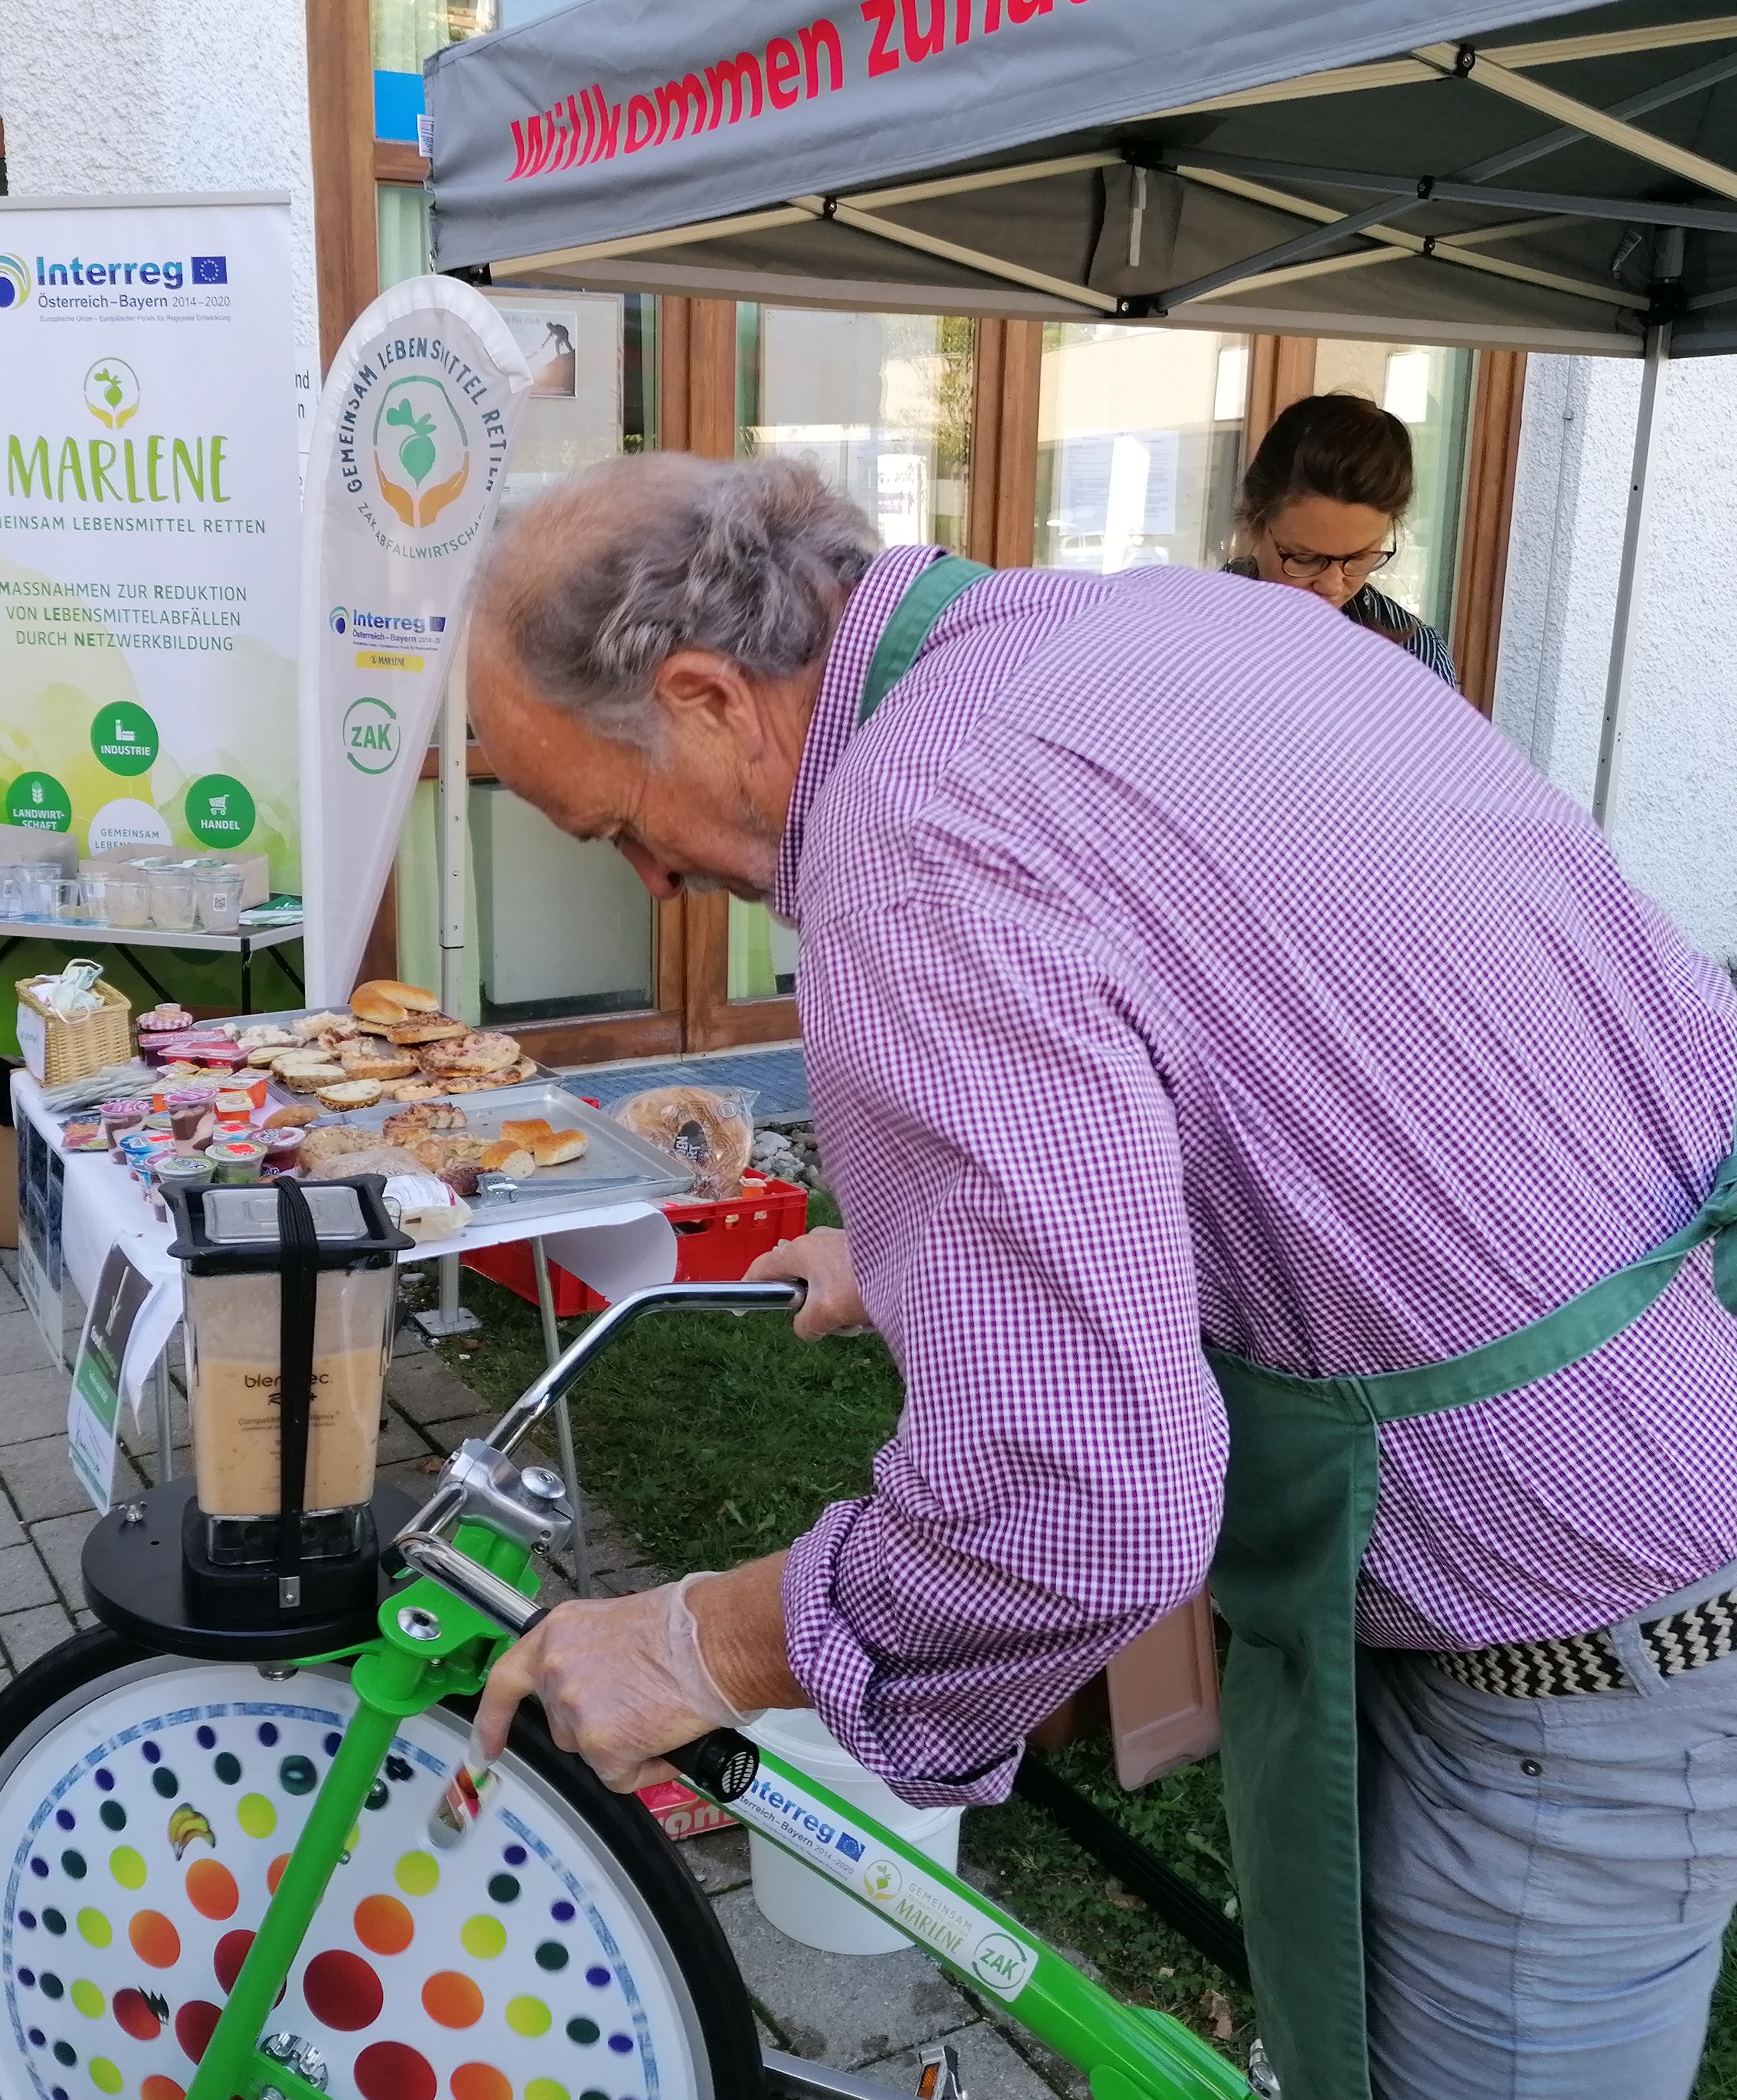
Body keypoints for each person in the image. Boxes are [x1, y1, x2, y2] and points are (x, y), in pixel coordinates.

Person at [461, 451, 1737, 2100]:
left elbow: (1065, 1504)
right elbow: (1321, 1075)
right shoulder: (1182, 629)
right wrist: (927, 1253)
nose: (655, 885)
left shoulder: (913, 840)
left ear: (705, 694)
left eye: (617, 826)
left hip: (1572, 1660)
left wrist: (696, 1641)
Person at [1227, 390, 1458, 688]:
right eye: (1304, 558)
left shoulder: (1417, 658)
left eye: (1360, 558)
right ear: (1256, 522)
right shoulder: (1186, 631)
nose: (1333, 586)